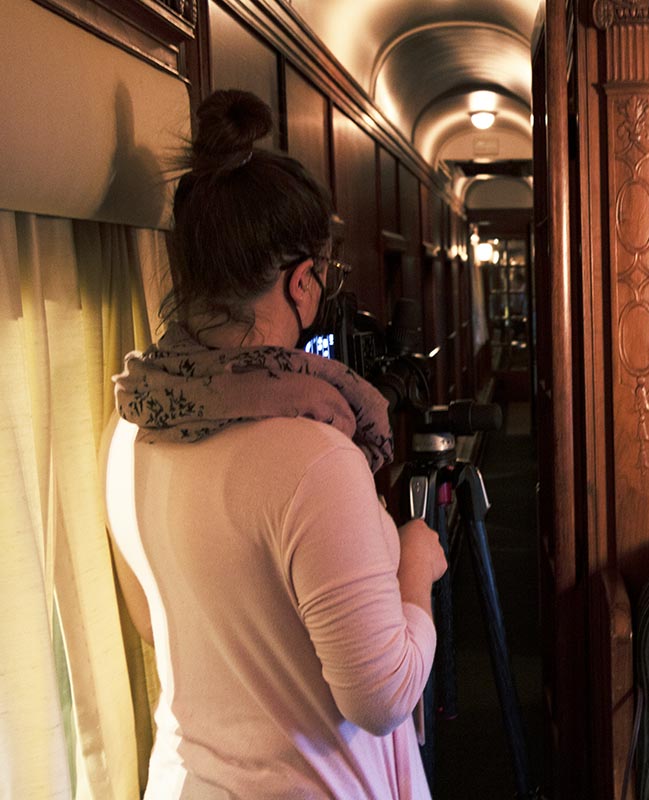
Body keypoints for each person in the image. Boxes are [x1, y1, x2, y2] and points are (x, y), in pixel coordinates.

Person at [102, 89, 446, 799]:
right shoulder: (314, 459)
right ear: (300, 283)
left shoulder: (131, 425)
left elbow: (148, 619)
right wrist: (416, 568)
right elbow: (381, 699)